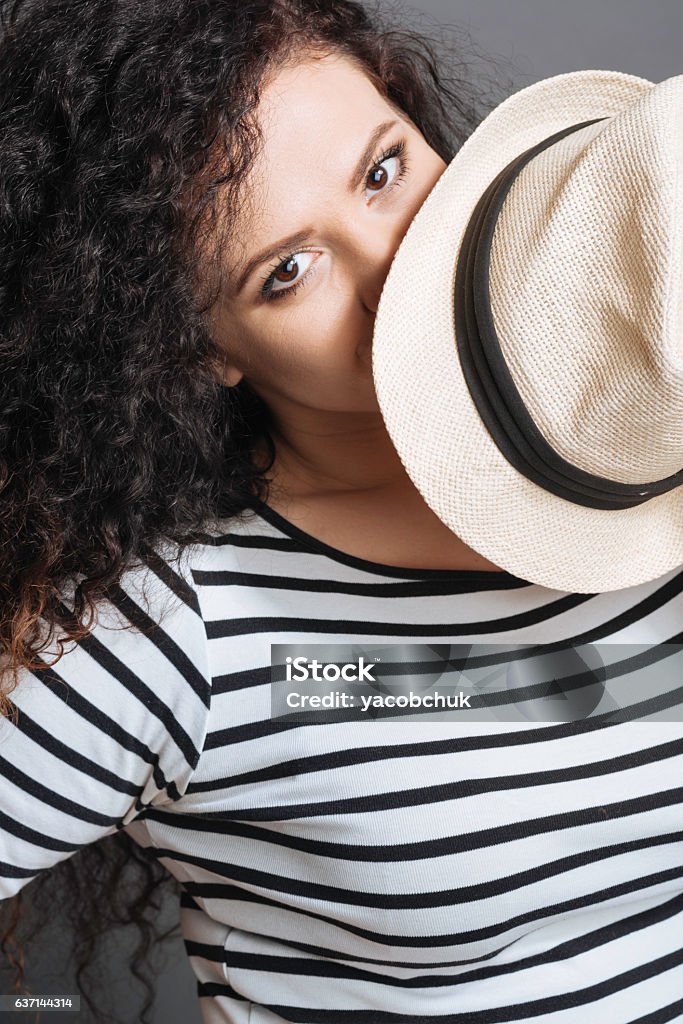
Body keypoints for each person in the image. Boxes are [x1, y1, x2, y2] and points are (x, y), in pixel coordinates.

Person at [1, 2, 682, 1023]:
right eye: (287, 271)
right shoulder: (176, 625)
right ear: (197, 350)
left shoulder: (643, 427)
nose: (392, 260)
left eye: (382, 171)